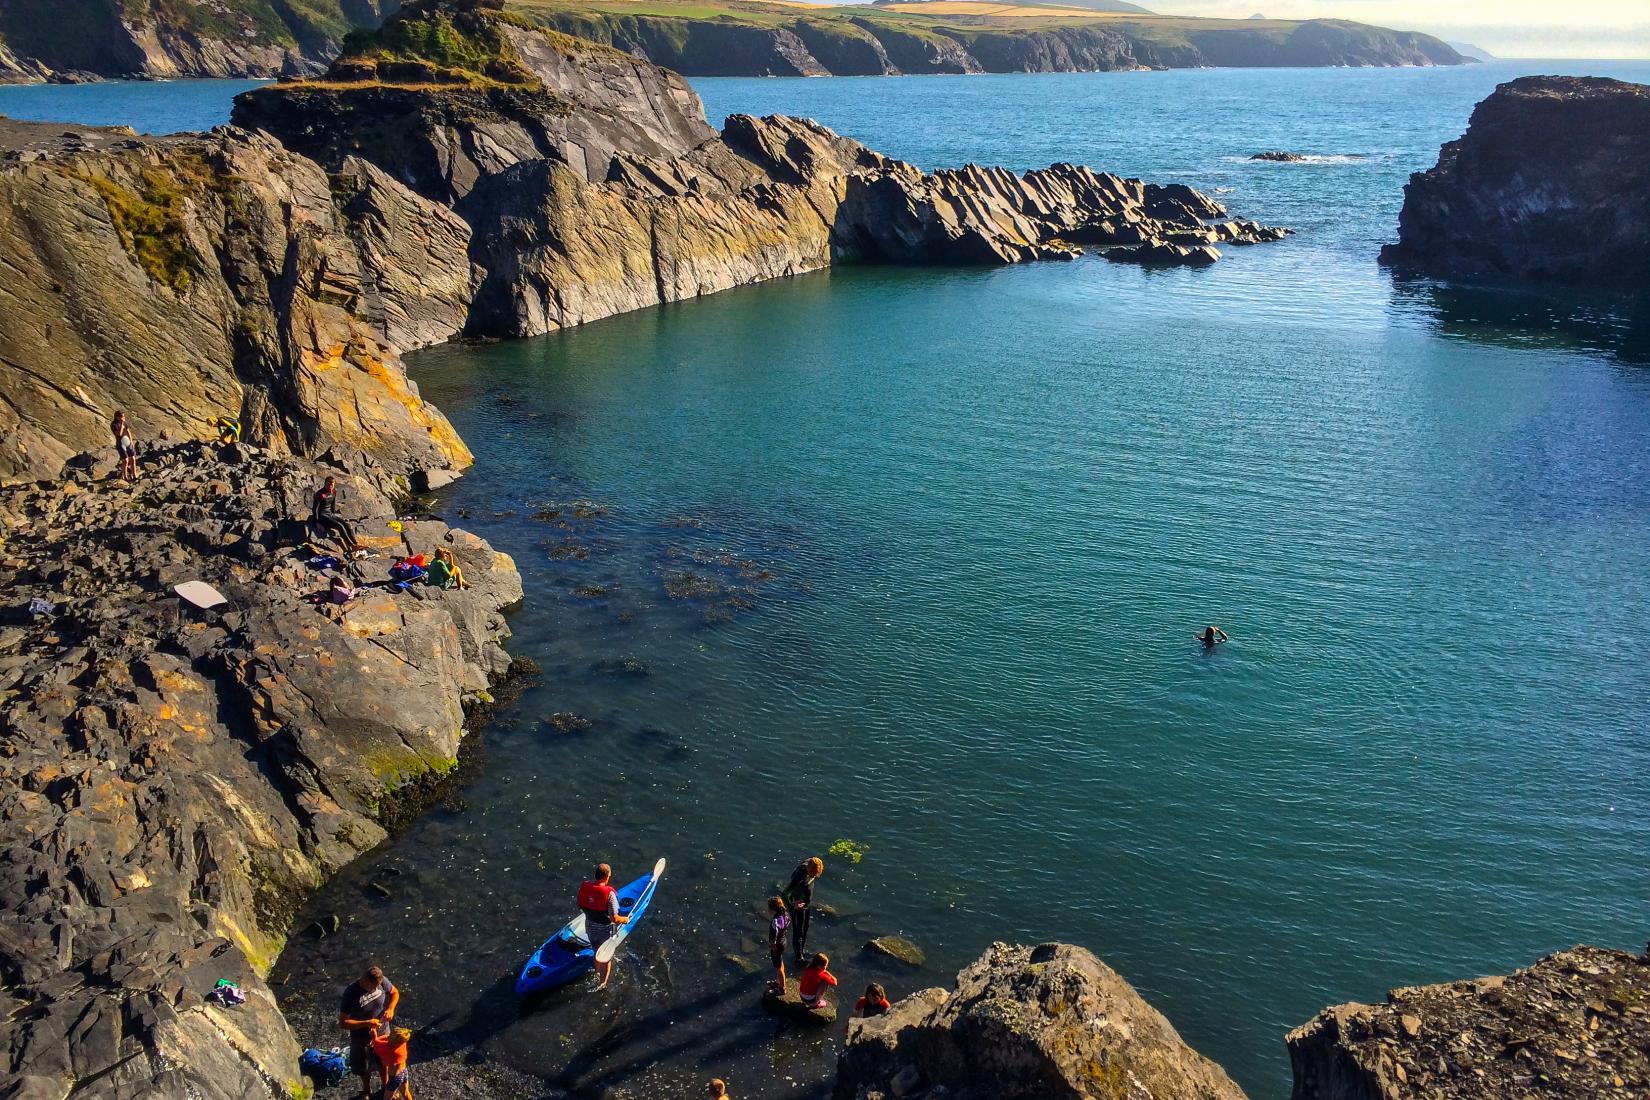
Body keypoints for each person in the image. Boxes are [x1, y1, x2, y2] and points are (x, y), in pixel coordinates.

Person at [338, 967, 399, 1100]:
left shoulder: (381, 981)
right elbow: (343, 1023)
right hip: (361, 1036)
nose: (376, 989)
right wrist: (367, 1023)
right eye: (373, 987)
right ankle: (366, 1089)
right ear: (365, 981)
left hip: (383, 1031)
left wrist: (390, 1008)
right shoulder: (351, 993)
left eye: (378, 986)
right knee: (363, 1065)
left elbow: (395, 993)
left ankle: (386, 1086)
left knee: (384, 1061)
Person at [577, 863, 629, 990]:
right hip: (605, 932)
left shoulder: (584, 887)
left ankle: (596, 972)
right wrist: (625, 919)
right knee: (606, 959)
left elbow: (580, 905)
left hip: (589, 927)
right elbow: (614, 918)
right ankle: (602, 984)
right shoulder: (610, 894)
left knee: (596, 951)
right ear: (607, 876)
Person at [781, 857, 824, 968]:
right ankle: (798, 958)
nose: (814, 876)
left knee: (805, 927)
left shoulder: (813, 864)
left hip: (806, 902)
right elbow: (785, 894)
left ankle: (802, 950)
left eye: (816, 874)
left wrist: (806, 903)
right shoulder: (799, 874)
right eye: (812, 874)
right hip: (797, 904)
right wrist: (793, 905)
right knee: (798, 930)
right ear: (808, 868)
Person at [311, 476, 359, 550]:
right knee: (340, 526)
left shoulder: (333, 491)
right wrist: (317, 522)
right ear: (325, 484)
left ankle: (356, 544)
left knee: (347, 525)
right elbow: (315, 509)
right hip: (322, 516)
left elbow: (332, 505)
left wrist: (334, 515)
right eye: (328, 485)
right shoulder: (320, 494)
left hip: (330, 514)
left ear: (334, 484)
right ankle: (351, 545)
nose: (330, 487)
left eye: (332, 485)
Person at [370, 1027, 413, 1100]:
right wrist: (381, 1038)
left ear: (394, 1042)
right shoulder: (402, 1043)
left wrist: (374, 1036)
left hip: (394, 1078)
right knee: (405, 1093)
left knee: (387, 1098)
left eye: (390, 1037)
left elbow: (376, 1047)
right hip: (404, 1072)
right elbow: (386, 1037)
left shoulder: (391, 1051)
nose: (388, 1037)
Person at [765, 896, 789, 995]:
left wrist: (773, 946)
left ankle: (782, 988)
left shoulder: (775, 921)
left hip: (777, 945)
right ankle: (779, 982)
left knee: (778, 967)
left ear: (772, 909)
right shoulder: (786, 915)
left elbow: (773, 936)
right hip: (783, 941)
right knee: (780, 963)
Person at [111, 411, 137, 480]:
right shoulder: (114, 425)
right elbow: (119, 434)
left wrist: (131, 441)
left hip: (127, 441)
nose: (123, 418)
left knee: (133, 458)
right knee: (125, 460)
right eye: (122, 416)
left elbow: (128, 431)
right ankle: (125, 476)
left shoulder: (125, 423)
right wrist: (122, 427)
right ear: (117, 417)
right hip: (120, 443)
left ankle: (134, 475)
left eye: (123, 416)